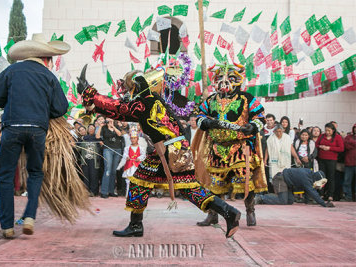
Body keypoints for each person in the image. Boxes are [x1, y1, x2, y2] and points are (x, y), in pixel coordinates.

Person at [79, 65, 241, 238]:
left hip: (169, 152)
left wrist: (91, 94)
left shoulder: (144, 102)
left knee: (152, 184)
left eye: (128, 87)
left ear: (137, 87)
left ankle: (136, 225)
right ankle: (228, 211)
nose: (125, 91)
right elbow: (121, 113)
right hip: (173, 150)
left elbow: (119, 108)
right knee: (168, 185)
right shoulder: (150, 101)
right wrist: (95, 105)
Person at [0, 33, 70, 238]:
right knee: (35, 173)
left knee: (6, 176)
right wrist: (43, 112)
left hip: (12, 127)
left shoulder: (11, 70)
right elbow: (61, 107)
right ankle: (29, 217)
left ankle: (7, 226)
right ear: (46, 59)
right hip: (37, 130)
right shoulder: (49, 76)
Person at [193, 63, 267, 228]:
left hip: (240, 147)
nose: (224, 82)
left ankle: (250, 210)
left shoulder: (247, 98)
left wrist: (253, 126)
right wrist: (204, 122)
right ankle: (213, 215)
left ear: (237, 80)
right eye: (220, 78)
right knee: (215, 184)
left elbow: (261, 116)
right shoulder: (211, 100)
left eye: (230, 78)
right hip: (217, 148)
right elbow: (199, 116)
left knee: (245, 180)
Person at [255, 168, 333, 207]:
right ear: (317, 178)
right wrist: (324, 204)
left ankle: (265, 199)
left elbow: (308, 190)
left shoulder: (310, 175)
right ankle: (261, 198)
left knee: (290, 201)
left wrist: (307, 201)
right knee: (283, 201)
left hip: (287, 182)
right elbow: (311, 191)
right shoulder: (306, 178)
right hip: (280, 179)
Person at [316, 122, 344, 201]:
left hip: (332, 160)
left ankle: (330, 195)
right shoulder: (321, 136)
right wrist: (320, 146)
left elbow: (341, 148)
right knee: (322, 177)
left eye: (329, 131)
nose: (327, 132)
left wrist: (329, 148)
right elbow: (316, 145)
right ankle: (321, 193)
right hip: (322, 159)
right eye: (326, 130)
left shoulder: (337, 137)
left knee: (331, 177)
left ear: (333, 130)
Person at [96, 118, 122, 198]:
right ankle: (104, 192)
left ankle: (111, 191)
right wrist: (100, 126)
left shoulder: (117, 126)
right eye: (108, 119)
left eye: (111, 119)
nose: (110, 120)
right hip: (108, 149)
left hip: (117, 149)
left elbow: (119, 134)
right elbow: (97, 137)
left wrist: (113, 126)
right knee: (107, 170)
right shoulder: (103, 127)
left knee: (114, 171)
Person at [117, 130, 146, 197]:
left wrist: (139, 158)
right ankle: (128, 194)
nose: (133, 140)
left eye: (134, 138)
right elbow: (125, 154)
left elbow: (143, 155)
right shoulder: (127, 148)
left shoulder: (141, 148)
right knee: (128, 180)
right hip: (129, 165)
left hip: (137, 166)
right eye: (132, 138)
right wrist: (127, 157)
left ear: (137, 139)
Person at [81, 124, 101, 196]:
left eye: (92, 128)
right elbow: (79, 148)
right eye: (89, 128)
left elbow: (101, 147)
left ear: (95, 129)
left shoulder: (97, 138)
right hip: (85, 160)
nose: (91, 129)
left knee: (94, 175)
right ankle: (86, 191)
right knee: (86, 175)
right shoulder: (84, 138)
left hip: (94, 160)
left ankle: (93, 191)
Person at [343, 124, 356, 201]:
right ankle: (348, 196)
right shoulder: (348, 137)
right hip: (349, 162)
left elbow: (349, 144)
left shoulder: (349, 139)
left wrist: (351, 143)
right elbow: (346, 145)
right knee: (347, 181)